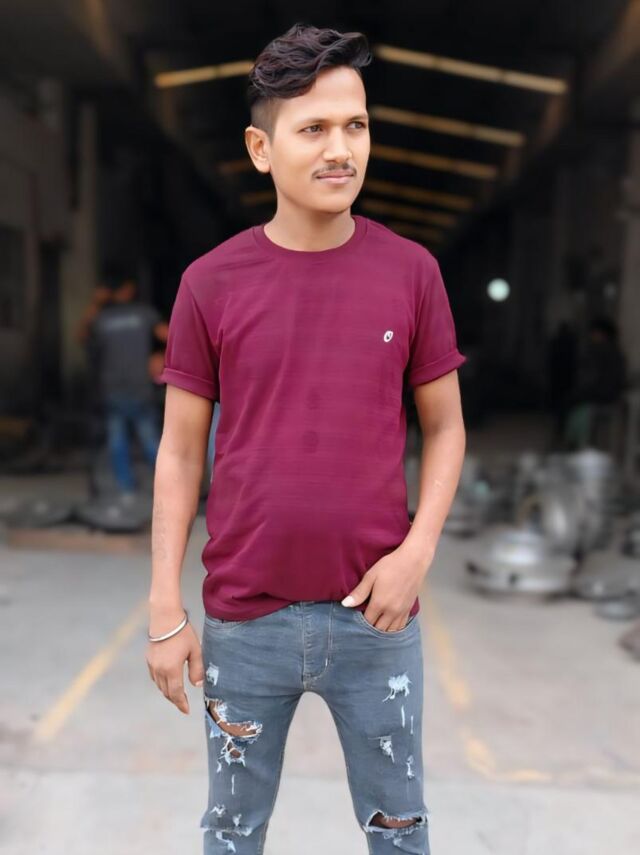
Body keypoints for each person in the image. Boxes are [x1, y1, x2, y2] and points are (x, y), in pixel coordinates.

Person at [146, 22, 467, 854]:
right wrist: (163, 605)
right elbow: (180, 451)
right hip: (246, 620)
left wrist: (417, 553)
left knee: (401, 830)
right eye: (314, 128)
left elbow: (446, 427)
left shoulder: (412, 273)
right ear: (262, 149)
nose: (340, 149)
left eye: (355, 125)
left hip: (376, 619)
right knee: (231, 829)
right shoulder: (211, 283)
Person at [89, 275, 168, 495]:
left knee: (132, 441)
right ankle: (148, 488)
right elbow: (173, 336)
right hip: (125, 389)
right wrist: (163, 356)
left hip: (124, 388)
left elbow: (82, 335)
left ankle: (139, 489)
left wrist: (162, 356)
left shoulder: (109, 317)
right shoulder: (139, 314)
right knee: (134, 441)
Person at [563, 316, 627, 450]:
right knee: (575, 404)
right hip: (606, 393)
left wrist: (581, 392)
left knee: (573, 405)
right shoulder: (614, 351)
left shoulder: (601, 350)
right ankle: (575, 442)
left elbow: (594, 378)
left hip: (601, 394)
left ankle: (576, 442)